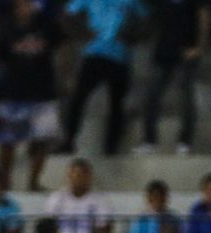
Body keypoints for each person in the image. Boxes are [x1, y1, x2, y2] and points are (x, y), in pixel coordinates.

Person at [57, 0, 148, 155]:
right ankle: (69, 140)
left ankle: (111, 147)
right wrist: (83, 33)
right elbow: (67, 14)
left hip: (120, 57)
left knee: (116, 104)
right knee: (78, 98)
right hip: (94, 54)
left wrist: (131, 36)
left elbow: (147, 20)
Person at [0, 0, 63, 191]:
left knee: (42, 140)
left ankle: (33, 182)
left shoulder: (47, 26)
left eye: (29, 4)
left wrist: (63, 77)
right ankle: (4, 183)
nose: (26, 7)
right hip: (13, 94)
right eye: (22, 4)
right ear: (16, 7)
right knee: (8, 142)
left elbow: (63, 46)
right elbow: (1, 62)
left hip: (43, 94)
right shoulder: (6, 29)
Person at [133, 0, 211, 155]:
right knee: (151, 95)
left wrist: (200, 47)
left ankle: (185, 141)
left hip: (186, 51)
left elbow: (204, 16)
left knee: (186, 97)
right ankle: (149, 141)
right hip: (163, 51)